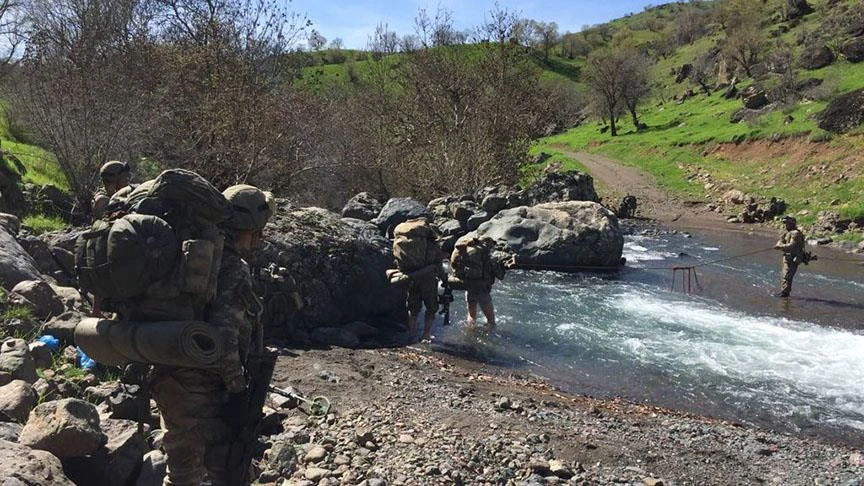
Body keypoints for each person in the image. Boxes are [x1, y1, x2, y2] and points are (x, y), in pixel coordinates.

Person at [150, 184, 274, 486]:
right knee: (225, 471)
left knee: (181, 472)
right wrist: (237, 390)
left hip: (166, 374)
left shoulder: (188, 255)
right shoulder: (230, 266)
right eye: (256, 233)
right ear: (250, 229)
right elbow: (224, 335)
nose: (257, 241)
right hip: (202, 388)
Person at [391, 218, 445, 343]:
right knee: (431, 307)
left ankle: (412, 333)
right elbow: (438, 265)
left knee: (413, 307)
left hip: (411, 276)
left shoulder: (406, 242)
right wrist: (444, 279)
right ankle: (426, 335)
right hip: (428, 279)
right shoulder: (433, 246)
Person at [448, 236, 515, 329]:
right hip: (482, 289)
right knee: (491, 320)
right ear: (489, 243)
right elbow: (499, 275)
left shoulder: (467, 249)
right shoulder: (488, 254)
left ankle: (469, 334)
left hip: (468, 286)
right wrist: (508, 266)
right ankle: (489, 340)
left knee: (471, 316)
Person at [773, 215, 805, 298]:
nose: (785, 225)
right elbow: (781, 240)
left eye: (787, 224)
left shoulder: (796, 233)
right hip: (787, 257)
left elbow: (792, 245)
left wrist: (780, 247)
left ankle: (785, 293)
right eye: (785, 224)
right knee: (785, 275)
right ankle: (785, 292)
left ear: (792, 224)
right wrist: (778, 244)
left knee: (787, 275)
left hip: (794, 258)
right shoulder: (787, 232)